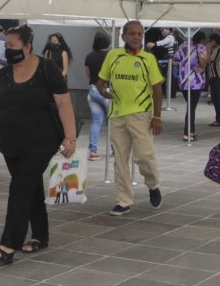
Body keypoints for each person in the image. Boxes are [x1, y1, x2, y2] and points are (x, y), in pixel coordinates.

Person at [0, 25, 76, 264]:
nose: (8, 51)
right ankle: (40, 235)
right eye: (6, 46)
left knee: (20, 186)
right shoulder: (4, 74)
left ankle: (8, 243)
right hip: (10, 143)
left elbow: (64, 104)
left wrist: (70, 137)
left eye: (12, 46)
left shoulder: (47, 69)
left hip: (41, 141)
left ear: (27, 47)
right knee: (30, 186)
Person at [96, 20, 164, 216]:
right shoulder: (113, 55)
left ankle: (153, 185)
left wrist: (157, 116)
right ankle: (123, 200)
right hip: (117, 115)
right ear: (124, 36)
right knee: (120, 159)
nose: (136, 37)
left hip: (141, 115)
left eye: (140, 34)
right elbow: (101, 81)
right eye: (132, 34)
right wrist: (102, 90)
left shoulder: (147, 59)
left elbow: (157, 89)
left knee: (144, 156)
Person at [174, 31, 209, 141]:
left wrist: (184, 65)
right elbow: (203, 57)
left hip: (183, 80)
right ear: (202, 39)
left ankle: (192, 131)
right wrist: (203, 67)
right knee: (191, 108)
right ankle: (187, 132)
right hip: (195, 81)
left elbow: (175, 61)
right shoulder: (201, 47)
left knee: (190, 106)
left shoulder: (183, 46)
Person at [84, 31, 112, 161]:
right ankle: (116, 149)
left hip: (93, 90)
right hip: (106, 91)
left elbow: (88, 74)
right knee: (112, 121)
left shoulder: (89, 56)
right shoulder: (110, 56)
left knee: (96, 122)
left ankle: (92, 151)